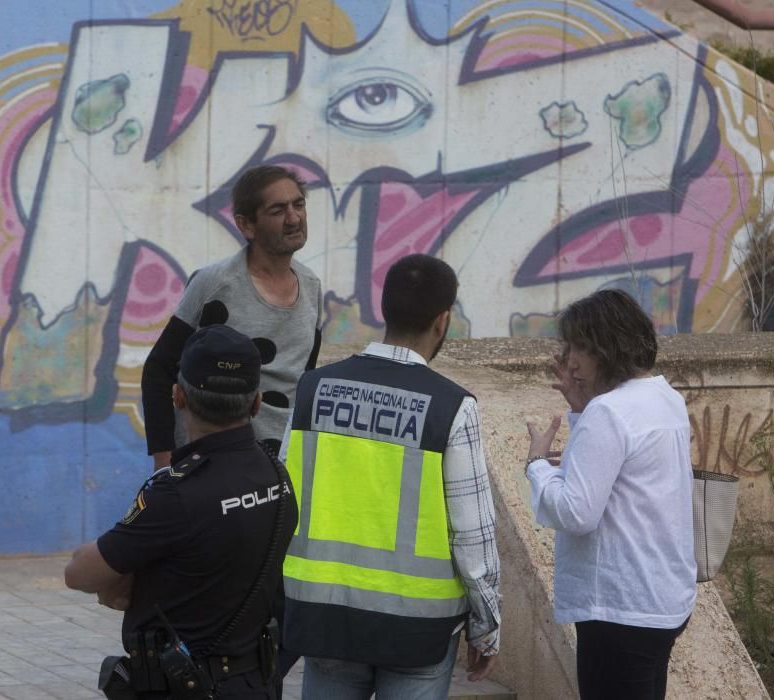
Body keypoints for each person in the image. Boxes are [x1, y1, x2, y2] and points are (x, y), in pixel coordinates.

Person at [279, 254, 502, 699]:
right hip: (417, 628)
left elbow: (283, 500)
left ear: (385, 309)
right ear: (443, 321)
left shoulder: (313, 390)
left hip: (326, 615)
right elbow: (472, 534)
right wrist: (487, 626)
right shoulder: (453, 408)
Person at [65, 325, 297, 699]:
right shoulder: (277, 474)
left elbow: (79, 572)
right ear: (256, 403)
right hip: (255, 683)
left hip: (186, 688)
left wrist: (129, 583)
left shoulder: (178, 493)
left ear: (177, 397)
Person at [524, 288, 697, 700]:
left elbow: (575, 513)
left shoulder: (610, 412)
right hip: (662, 601)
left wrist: (536, 467)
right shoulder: (664, 397)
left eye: (582, 347)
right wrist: (582, 408)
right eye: (570, 347)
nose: (571, 361)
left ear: (610, 345)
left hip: (618, 609)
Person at [142, 165, 323, 468]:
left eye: (299, 204)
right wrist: (163, 462)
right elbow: (159, 370)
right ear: (246, 225)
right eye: (278, 210)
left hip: (279, 469)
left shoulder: (313, 288)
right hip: (207, 464)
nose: (294, 218)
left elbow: (304, 382)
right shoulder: (214, 283)